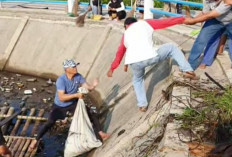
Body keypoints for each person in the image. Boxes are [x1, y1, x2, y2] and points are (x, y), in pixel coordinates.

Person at [107, 17, 198, 112]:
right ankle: (188, 70)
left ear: (126, 26)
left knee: (137, 80)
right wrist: (182, 19)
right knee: (171, 47)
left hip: (135, 63)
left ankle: (142, 105)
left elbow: (120, 53)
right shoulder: (145, 23)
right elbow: (165, 22)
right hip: (151, 56)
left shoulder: (125, 34)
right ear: (136, 22)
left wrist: (112, 68)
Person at [30, 59, 109, 149]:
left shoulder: (78, 77)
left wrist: (93, 86)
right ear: (67, 69)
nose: (75, 68)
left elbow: (87, 87)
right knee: (50, 122)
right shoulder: (61, 80)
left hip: (72, 104)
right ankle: (35, 140)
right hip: (59, 106)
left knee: (91, 113)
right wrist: (76, 95)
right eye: (73, 67)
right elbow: (62, 97)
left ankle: (100, 133)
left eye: (75, 66)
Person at [185, 0, 232, 70]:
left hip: (230, 21)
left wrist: (193, 21)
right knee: (201, 39)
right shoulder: (206, 0)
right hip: (216, 20)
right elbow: (205, 13)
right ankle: (190, 67)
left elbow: (212, 14)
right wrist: (192, 19)